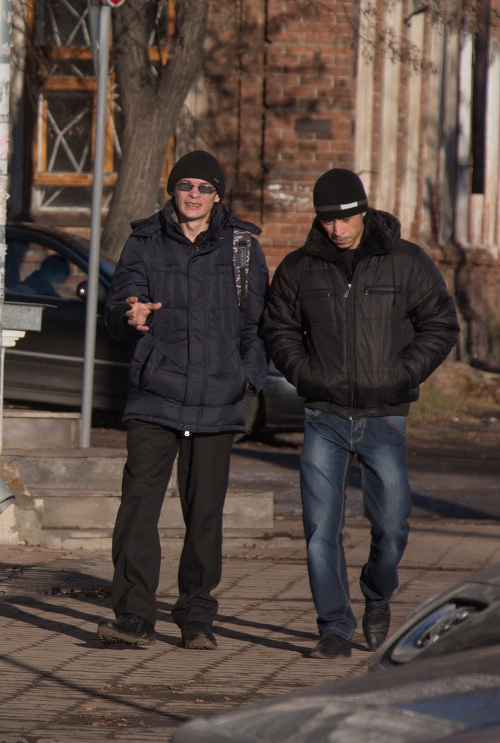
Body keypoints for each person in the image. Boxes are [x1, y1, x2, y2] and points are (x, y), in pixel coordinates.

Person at [262, 169, 458, 659]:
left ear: (364, 211)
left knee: (392, 526)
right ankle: (333, 627)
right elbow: (278, 327)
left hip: (384, 416)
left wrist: (400, 375)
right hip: (323, 416)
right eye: (328, 219)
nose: (338, 228)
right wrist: (306, 376)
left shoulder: (406, 261)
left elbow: (440, 324)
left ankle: (377, 597)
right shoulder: (300, 268)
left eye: (347, 216)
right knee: (318, 530)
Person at [95, 150, 268, 650]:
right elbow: (117, 307)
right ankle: (133, 615)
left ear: (218, 196)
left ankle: (195, 615)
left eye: (204, 188)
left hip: (217, 400)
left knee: (205, 516)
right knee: (138, 510)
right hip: (156, 396)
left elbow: (256, 326)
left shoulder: (241, 249)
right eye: (185, 185)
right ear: (172, 190)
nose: (194, 195)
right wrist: (131, 315)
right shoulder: (145, 242)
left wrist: (246, 378)